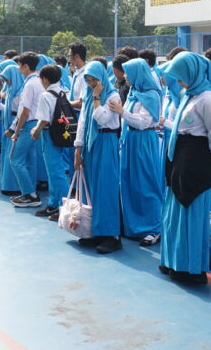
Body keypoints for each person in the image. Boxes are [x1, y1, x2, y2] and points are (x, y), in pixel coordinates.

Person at [159, 52, 211, 284]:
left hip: (196, 159)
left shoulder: (208, 98)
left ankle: (191, 268)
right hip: (180, 155)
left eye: (181, 76)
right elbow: (182, 126)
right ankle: (175, 261)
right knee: (175, 210)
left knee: (192, 211)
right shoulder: (191, 94)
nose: (179, 81)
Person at [110, 58, 164, 247]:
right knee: (129, 183)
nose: (125, 76)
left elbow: (143, 122)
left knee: (146, 184)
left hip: (142, 141)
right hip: (130, 141)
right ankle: (134, 226)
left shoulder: (151, 95)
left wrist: (121, 111)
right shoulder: (136, 92)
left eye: (127, 72)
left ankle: (153, 228)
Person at [74, 61, 123, 254]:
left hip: (106, 141)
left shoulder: (112, 95)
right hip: (90, 144)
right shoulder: (87, 95)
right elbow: (82, 122)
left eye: (94, 79)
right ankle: (95, 230)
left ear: (103, 77)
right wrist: (78, 148)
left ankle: (111, 235)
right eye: (88, 79)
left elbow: (103, 119)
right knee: (91, 187)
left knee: (106, 188)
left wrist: (96, 99)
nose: (92, 83)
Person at [30, 64, 72, 219]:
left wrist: (36, 130)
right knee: (55, 170)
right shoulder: (62, 92)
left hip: (49, 135)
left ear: (44, 79)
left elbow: (44, 118)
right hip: (61, 134)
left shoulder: (46, 95)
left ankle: (63, 206)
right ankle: (53, 204)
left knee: (55, 172)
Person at [9, 52, 44, 207]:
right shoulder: (39, 81)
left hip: (29, 125)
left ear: (26, 66)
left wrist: (16, 131)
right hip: (37, 124)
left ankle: (29, 194)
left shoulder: (30, 84)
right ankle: (31, 193)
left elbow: (24, 111)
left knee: (15, 159)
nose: (18, 69)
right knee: (29, 160)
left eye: (19, 65)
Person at [0, 61, 26, 196]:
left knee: (14, 156)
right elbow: (8, 109)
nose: (6, 83)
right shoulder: (11, 90)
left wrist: (12, 128)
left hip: (16, 126)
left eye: (8, 79)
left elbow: (21, 113)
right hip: (10, 123)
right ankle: (8, 183)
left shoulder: (22, 92)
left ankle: (14, 186)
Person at [67, 41, 89, 111]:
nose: (69, 60)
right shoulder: (77, 73)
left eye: (69, 56)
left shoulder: (86, 75)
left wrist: (65, 103)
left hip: (80, 115)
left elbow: (82, 102)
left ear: (76, 56)